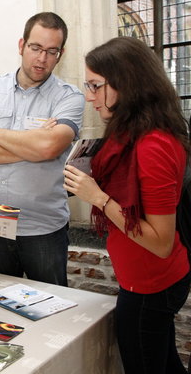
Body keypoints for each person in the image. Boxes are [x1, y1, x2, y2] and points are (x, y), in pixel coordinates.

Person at [63, 37, 190, 374]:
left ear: (126, 83)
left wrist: (99, 198)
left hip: (151, 284)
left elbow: (160, 242)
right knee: (164, 363)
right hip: (147, 280)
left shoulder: (154, 145)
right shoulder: (134, 133)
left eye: (95, 85)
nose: (89, 96)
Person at [0, 12, 85, 286]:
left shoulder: (69, 97)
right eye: (35, 48)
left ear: (60, 54)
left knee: (52, 309)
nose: (42, 59)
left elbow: (49, 147)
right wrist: (31, 143)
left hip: (42, 226)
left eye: (51, 52)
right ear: (21, 45)